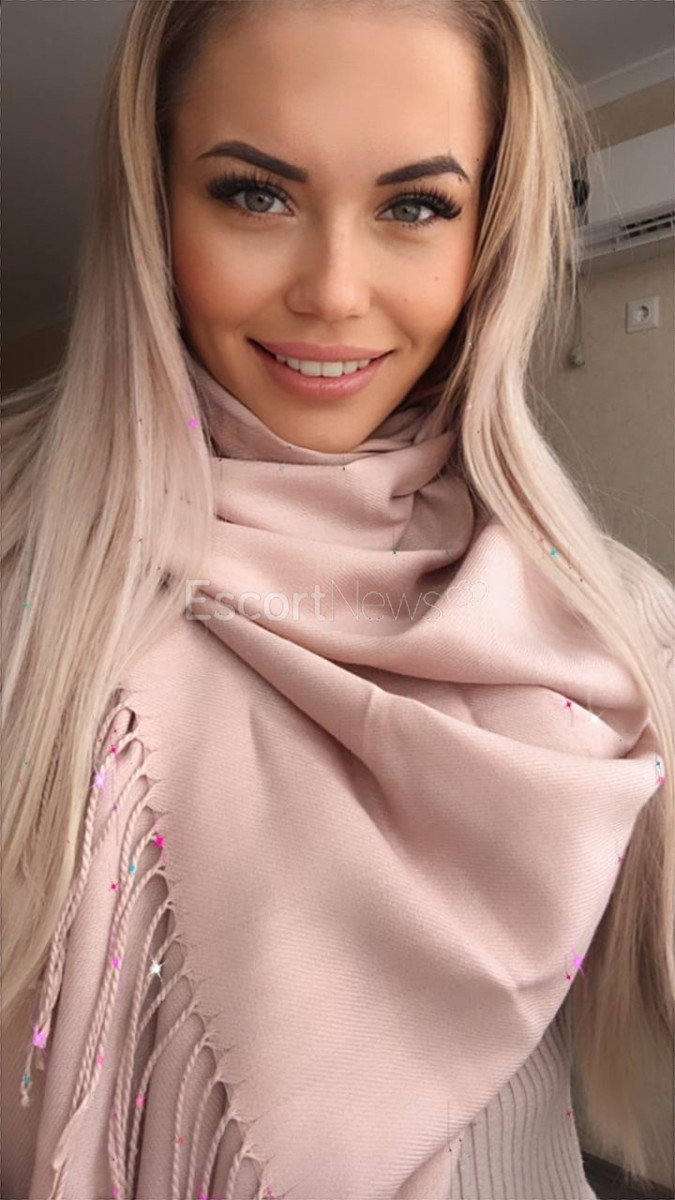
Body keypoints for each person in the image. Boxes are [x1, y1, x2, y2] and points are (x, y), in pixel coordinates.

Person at [2, 1, 673, 1197]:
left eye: (415, 207)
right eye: (254, 194)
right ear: (156, 202)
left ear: (488, 233)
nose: (333, 290)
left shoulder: (611, 625)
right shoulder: (27, 575)